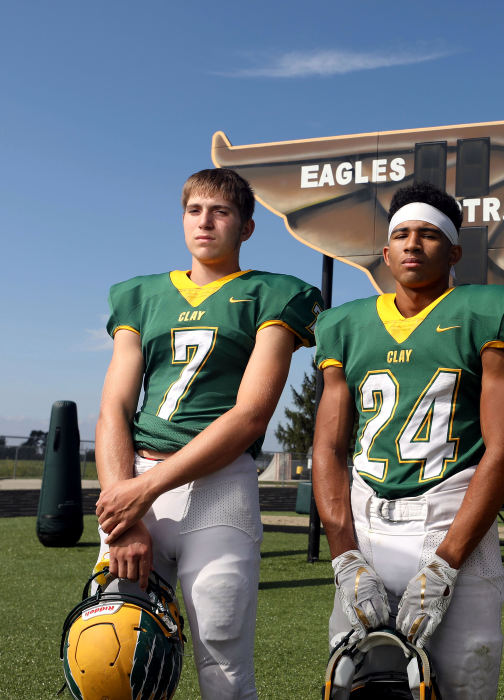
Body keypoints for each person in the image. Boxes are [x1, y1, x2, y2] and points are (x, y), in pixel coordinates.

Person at [93, 168, 323, 699]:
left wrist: (138, 495)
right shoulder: (141, 295)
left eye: (220, 212)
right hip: (133, 480)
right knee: (113, 658)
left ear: (246, 227)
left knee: (222, 656)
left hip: (217, 486)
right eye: (195, 210)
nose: (205, 221)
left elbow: (249, 416)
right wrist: (121, 511)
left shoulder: (273, 294)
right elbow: (114, 409)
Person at [311, 181, 504, 699]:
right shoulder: (344, 325)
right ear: (386, 251)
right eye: (401, 234)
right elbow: (327, 449)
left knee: (466, 685)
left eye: (429, 235)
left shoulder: (489, 310)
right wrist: (344, 556)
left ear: (455, 250)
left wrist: (445, 565)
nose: (413, 244)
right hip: (366, 524)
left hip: (451, 517)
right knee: (353, 686)